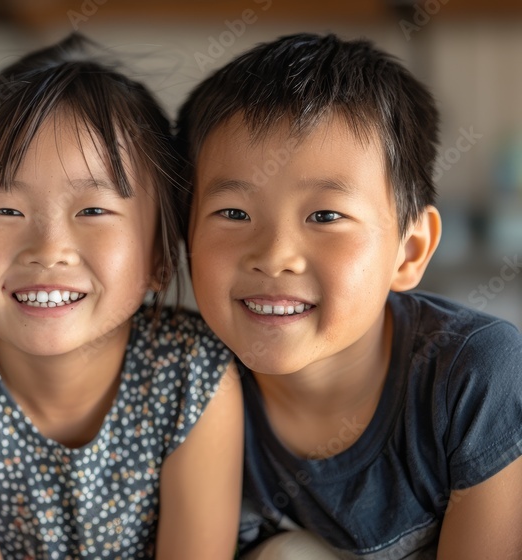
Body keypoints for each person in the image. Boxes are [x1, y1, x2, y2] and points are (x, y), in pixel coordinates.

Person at [0, 34, 243, 559]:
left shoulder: (193, 373)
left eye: (93, 211)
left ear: (160, 257)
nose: (48, 250)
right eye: (6, 211)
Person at [175, 32, 522, 558]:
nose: (274, 255)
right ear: (187, 238)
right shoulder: (181, 382)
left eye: (325, 216)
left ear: (409, 252)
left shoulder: (474, 374)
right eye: (234, 214)